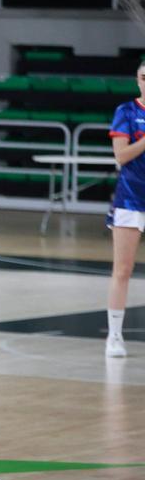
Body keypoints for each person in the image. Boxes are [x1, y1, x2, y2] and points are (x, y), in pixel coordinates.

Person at [105, 59, 145, 359]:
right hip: (130, 199)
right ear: (137, 79)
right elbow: (122, 156)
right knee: (123, 270)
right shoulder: (126, 112)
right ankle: (114, 336)